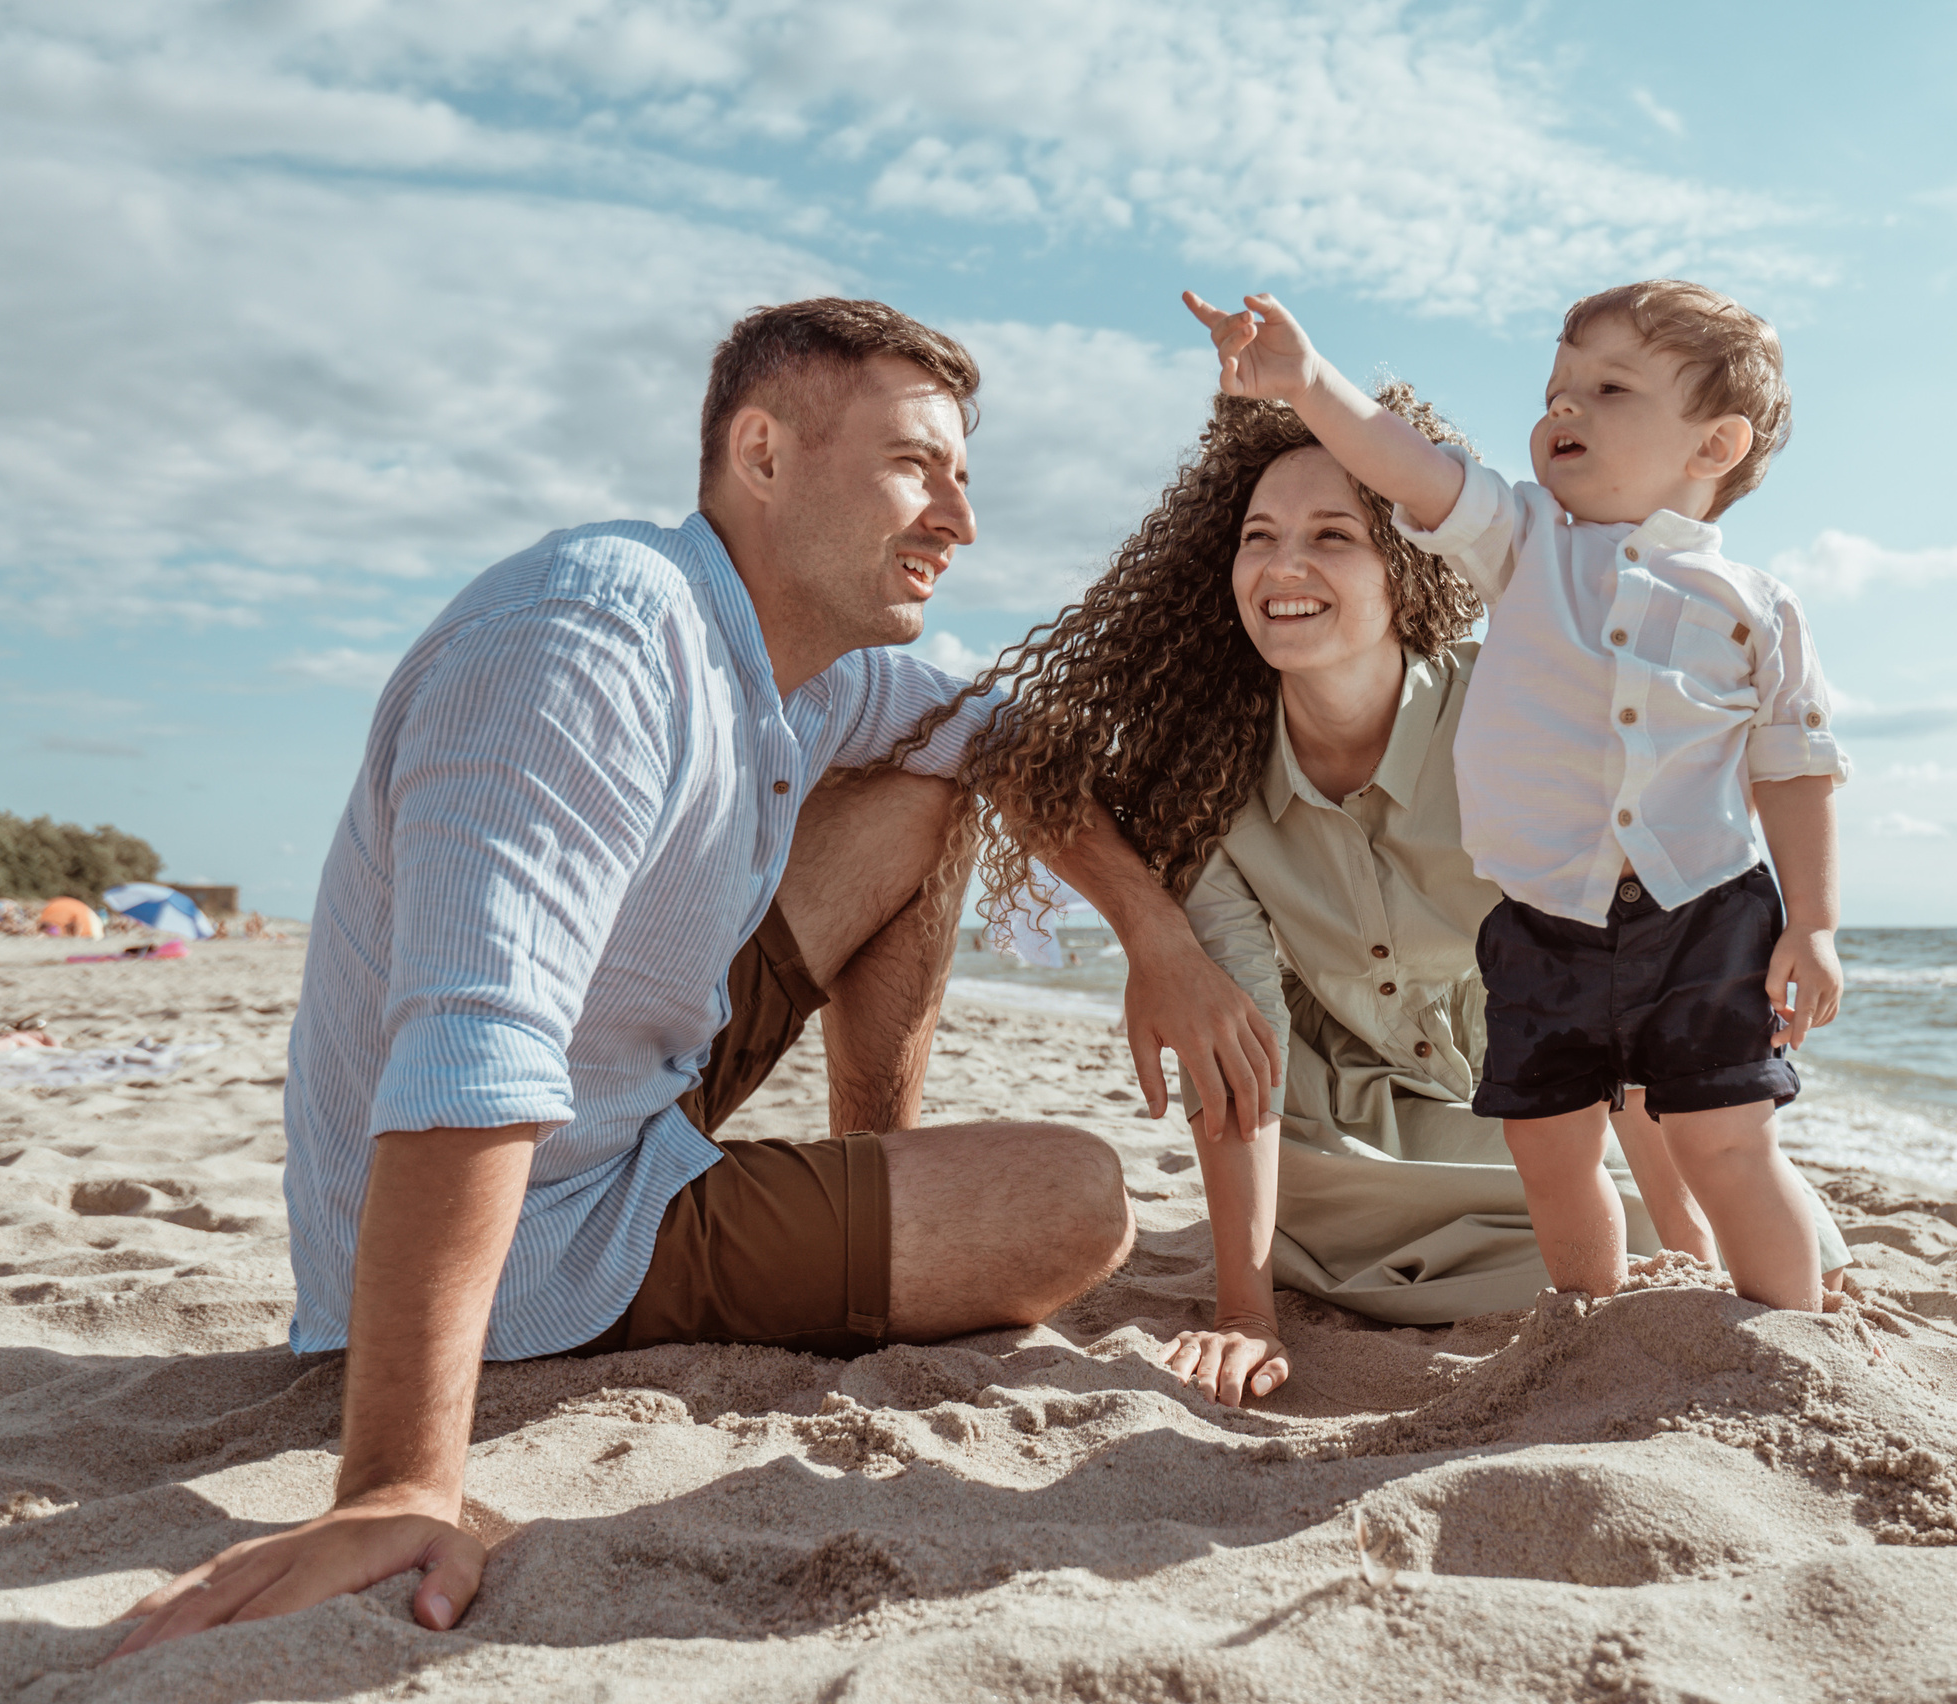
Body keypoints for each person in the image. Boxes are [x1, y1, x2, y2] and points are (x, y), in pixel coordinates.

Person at [111, 298, 1278, 1654]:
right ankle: (859, 1247)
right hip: (538, 1227)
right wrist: (400, 1486)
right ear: (763, 454)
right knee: (1077, 1202)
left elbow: (1002, 738)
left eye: (964, 478)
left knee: (932, 788)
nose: (957, 521)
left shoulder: (805, 669)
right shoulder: (588, 647)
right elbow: (468, 1051)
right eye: (916, 467)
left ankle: (868, 1190)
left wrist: (1160, 938)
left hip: (636, 1090)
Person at [927, 386, 1850, 1410]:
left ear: (1406, 564)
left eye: (1334, 536)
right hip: (1339, 1104)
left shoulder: (1522, 708)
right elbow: (1239, 1043)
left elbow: (1622, 961)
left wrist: (1696, 1249)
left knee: (1692, 1200)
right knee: (1318, 1209)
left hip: (1536, 1073)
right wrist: (1244, 1313)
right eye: (1257, 538)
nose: (1283, 567)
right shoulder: (1203, 778)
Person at [1183, 281, 1849, 1315]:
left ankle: (1790, 1335)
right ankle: (1587, 1323)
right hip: (1546, 923)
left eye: (1608, 387)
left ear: (1713, 447)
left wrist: (1812, 923)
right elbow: (1409, 466)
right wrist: (1309, 383)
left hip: (1706, 912)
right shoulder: (1523, 544)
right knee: (1550, 1147)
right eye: (1557, 387)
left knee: (1729, 1141)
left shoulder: (1759, 610)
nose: (1564, 408)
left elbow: (1794, 769)